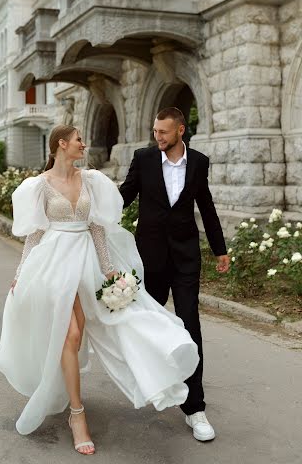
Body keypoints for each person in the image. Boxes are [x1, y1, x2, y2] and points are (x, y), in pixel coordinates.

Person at [0, 124, 199, 455]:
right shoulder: (39, 186)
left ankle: (76, 384)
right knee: (70, 334)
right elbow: (34, 234)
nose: (84, 144)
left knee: (111, 324)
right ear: (61, 144)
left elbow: (97, 228)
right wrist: (21, 273)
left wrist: (109, 272)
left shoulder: (90, 180)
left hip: (87, 261)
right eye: (78, 140)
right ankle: (78, 416)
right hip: (54, 263)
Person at [119, 107, 230, 442]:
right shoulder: (144, 159)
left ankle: (195, 409)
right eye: (155, 131)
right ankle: (156, 382)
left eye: (163, 132)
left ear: (180, 130)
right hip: (150, 259)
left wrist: (220, 248)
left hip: (185, 258)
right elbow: (124, 196)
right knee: (148, 325)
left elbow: (206, 207)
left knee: (189, 325)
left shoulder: (198, 162)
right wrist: (91, 211)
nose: (157, 137)